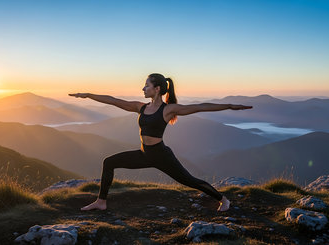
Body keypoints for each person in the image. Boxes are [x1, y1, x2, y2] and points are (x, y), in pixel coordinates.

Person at [68, 73, 253, 212]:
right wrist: (88, 95)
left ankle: (223, 199)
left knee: (190, 181)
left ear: (157, 89)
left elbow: (200, 107)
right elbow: (114, 101)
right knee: (109, 162)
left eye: (146, 85)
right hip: (144, 154)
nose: (143, 89)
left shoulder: (168, 109)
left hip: (162, 156)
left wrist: (229, 106)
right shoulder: (140, 107)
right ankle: (101, 202)